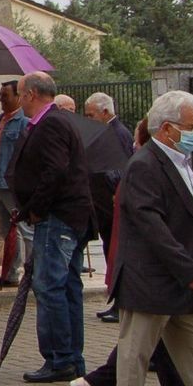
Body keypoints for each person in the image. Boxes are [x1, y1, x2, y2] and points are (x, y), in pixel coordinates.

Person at [101, 90, 193, 386]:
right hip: (151, 280)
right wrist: (189, 268)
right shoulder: (146, 164)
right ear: (167, 129)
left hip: (183, 283)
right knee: (135, 355)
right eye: (191, 127)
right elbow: (152, 226)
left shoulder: (179, 161)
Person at [10, 70, 93, 383]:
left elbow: (55, 171)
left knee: (50, 286)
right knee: (67, 285)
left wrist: (35, 209)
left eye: (19, 93)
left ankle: (60, 359)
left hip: (58, 217)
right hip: (68, 215)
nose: (18, 100)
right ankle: (71, 357)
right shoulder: (56, 121)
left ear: (31, 94)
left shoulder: (52, 123)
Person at [84, 91, 135, 322]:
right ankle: (116, 301)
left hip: (111, 201)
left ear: (105, 112)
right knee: (109, 252)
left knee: (116, 254)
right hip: (102, 203)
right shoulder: (105, 132)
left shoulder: (118, 133)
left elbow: (120, 169)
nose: (88, 119)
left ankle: (120, 303)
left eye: (90, 114)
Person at [0, 80, 29, 287]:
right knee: (5, 231)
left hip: (10, 185)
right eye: (0, 96)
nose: (1, 100)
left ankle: (28, 273)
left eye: (5, 96)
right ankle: (9, 273)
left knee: (22, 229)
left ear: (17, 97)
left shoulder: (23, 123)